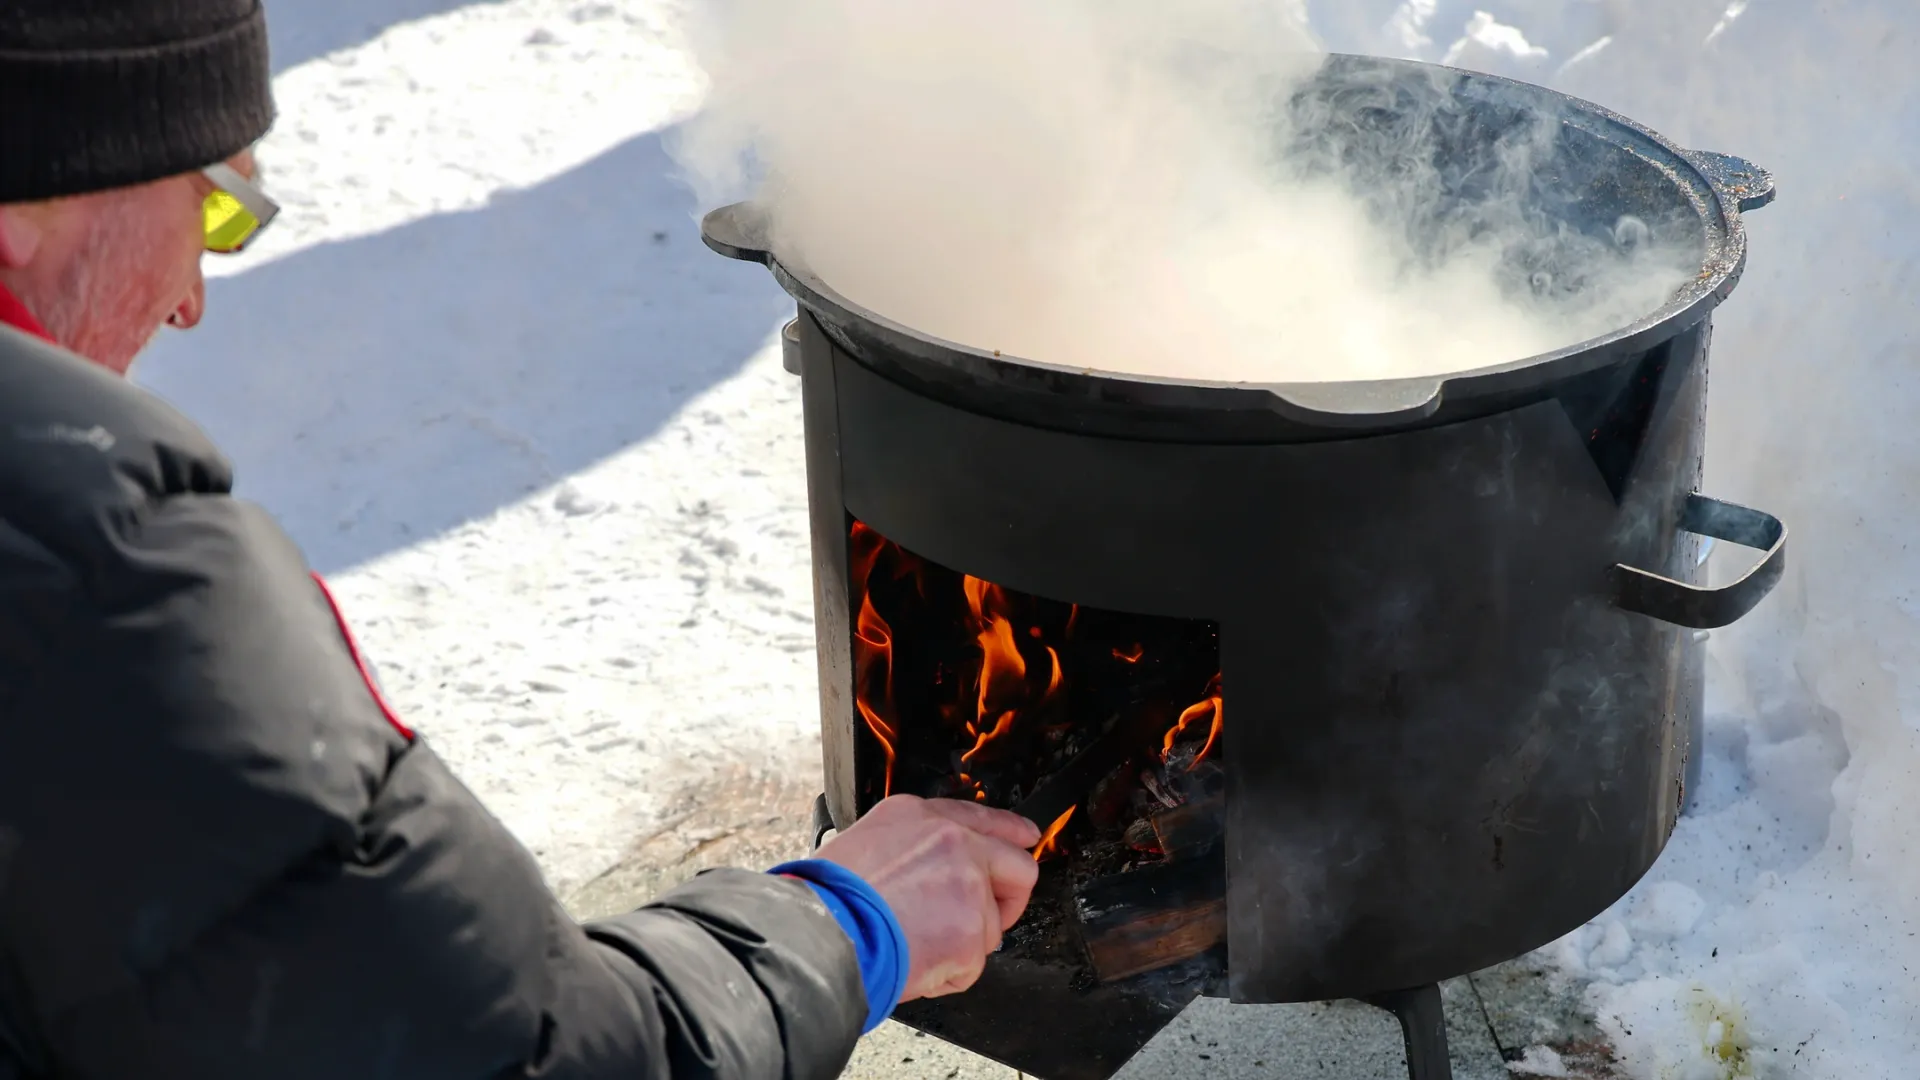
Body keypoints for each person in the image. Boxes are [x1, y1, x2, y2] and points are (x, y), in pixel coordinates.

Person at [0, 2, 1041, 1078]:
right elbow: (513, 1055)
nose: (192, 303)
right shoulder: (91, 569)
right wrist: (848, 924)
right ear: (27, 199)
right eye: (218, 209)